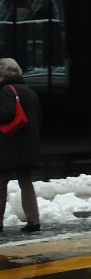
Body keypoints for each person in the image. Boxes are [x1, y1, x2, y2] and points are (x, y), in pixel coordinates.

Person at [0, 57, 42, 234]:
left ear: (3, 74)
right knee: (26, 182)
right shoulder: (31, 92)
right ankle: (34, 221)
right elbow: (39, 120)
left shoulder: (6, 91)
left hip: (9, 145)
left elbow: (5, 115)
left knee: (1, 181)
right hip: (28, 146)